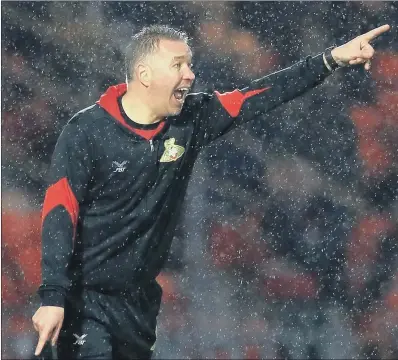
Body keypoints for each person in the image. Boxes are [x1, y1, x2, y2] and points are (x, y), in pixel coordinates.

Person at [32, 24, 390, 359]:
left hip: (139, 301)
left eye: (190, 64)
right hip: (84, 300)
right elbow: (60, 213)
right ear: (144, 75)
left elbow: (264, 93)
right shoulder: (86, 131)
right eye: (178, 65)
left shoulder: (191, 118)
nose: (190, 74)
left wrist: (331, 59)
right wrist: (53, 295)